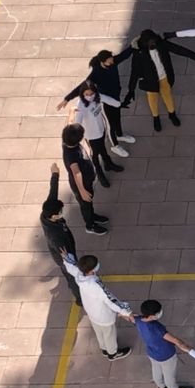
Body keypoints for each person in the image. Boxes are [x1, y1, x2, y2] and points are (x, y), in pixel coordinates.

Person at [124, 28, 195, 132]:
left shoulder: (161, 44)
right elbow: (134, 72)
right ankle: (156, 118)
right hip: (150, 81)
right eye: (151, 43)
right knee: (152, 100)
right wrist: (131, 90)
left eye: (154, 41)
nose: (153, 44)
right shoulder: (139, 54)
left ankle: (172, 114)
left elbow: (179, 49)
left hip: (164, 76)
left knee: (168, 96)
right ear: (145, 43)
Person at [57, 48, 135, 157]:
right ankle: (115, 146)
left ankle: (120, 135)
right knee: (110, 124)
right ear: (103, 62)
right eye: (109, 60)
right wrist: (67, 98)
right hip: (105, 100)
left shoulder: (113, 62)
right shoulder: (96, 73)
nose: (112, 61)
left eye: (112, 59)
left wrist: (133, 46)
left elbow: (124, 55)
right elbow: (81, 87)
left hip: (115, 98)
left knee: (117, 118)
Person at [60, 250, 133, 361]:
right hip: (103, 315)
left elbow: (71, 267)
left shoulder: (79, 274)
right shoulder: (96, 286)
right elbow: (110, 299)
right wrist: (126, 311)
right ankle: (113, 353)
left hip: (91, 312)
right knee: (109, 335)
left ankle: (103, 348)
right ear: (91, 271)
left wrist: (66, 258)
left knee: (99, 332)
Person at [133, 300, 194, 388]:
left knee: (156, 369)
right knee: (169, 375)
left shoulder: (139, 320)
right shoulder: (156, 328)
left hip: (152, 353)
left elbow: (130, 317)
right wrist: (188, 349)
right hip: (166, 355)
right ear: (152, 315)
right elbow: (174, 340)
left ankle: (161, 387)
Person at [40, 163, 81, 305]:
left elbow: (53, 192)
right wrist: (72, 263)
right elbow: (65, 256)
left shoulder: (48, 210)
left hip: (64, 248)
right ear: (54, 216)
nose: (62, 212)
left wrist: (55, 175)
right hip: (64, 256)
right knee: (72, 276)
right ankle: (80, 298)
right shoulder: (55, 235)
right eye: (60, 212)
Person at [71, 80, 124, 188]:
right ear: (82, 94)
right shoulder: (81, 105)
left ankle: (108, 164)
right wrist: (76, 135)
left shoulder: (97, 97)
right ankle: (100, 174)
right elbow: (78, 122)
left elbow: (108, 100)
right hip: (91, 136)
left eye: (91, 94)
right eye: (87, 94)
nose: (90, 96)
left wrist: (119, 104)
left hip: (101, 130)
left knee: (103, 149)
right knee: (95, 155)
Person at [61, 123, 108, 236]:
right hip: (82, 184)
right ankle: (90, 225)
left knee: (89, 202)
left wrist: (72, 111)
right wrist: (82, 191)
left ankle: (92, 216)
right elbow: (76, 173)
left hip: (87, 180)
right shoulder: (71, 155)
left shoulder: (66, 141)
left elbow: (69, 122)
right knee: (85, 205)